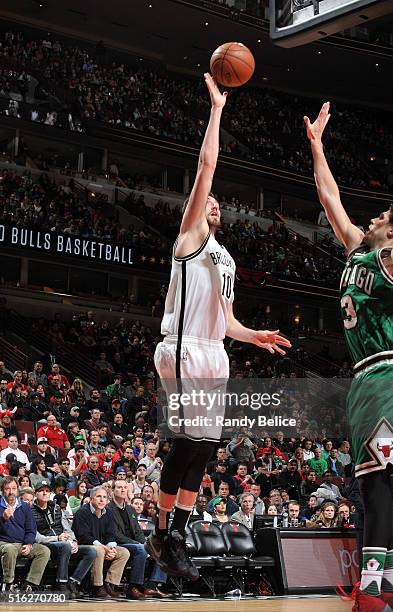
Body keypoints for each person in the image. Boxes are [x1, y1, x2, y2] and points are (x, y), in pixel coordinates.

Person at [145, 73, 291, 580]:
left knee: (205, 449)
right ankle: (163, 533)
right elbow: (206, 164)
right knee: (188, 444)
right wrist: (216, 110)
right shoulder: (189, 241)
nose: (209, 200)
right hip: (182, 349)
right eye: (203, 199)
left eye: (212, 202)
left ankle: (176, 533)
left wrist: (256, 336)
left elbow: (226, 321)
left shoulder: (225, 257)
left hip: (213, 350)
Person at [305, 105, 393, 611]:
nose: (372, 218)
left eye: (382, 217)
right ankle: (384, 586)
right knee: (374, 481)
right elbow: (330, 198)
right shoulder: (356, 253)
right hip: (366, 380)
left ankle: (373, 589)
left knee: (382, 479)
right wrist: (317, 146)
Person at [32, 479, 96, 595]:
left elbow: (67, 529)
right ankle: (61, 583)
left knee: (91, 551)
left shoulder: (56, 508)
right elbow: (36, 537)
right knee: (65, 546)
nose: (45, 493)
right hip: (45, 544)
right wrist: (56, 538)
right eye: (41, 491)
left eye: (47, 491)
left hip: (63, 542)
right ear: (35, 493)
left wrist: (74, 541)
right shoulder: (30, 511)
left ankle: (74, 582)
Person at [107, 480, 169, 599]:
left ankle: (152, 585)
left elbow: (137, 531)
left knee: (161, 548)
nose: (123, 490)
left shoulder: (130, 509)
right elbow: (115, 534)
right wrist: (139, 544)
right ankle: (133, 586)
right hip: (117, 544)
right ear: (113, 491)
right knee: (141, 549)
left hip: (134, 544)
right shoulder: (108, 509)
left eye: (125, 487)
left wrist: (146, 544)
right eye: (119, 487)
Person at [72, 485, 130, 598]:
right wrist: (103, 547)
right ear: (92, 498)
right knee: (99, 550)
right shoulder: (82, 512)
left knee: (124, 552)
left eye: (104, 497)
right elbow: (83, 536)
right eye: (98, 496)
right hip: (85, 547)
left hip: (104, 547)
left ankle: (110, 584)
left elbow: (111, 534)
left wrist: (111, 548)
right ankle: (97, 586)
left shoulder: (108, 512)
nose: (102, 499)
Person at [0, 476, 50, 591]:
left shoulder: (25, 506)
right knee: (10, 549)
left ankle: (30, 583)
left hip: (21, 543)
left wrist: (28, 544)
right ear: (3, 490)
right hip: (3, 543)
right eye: (7, 489)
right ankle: (8, 583)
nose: (11, 492)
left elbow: (31, 529)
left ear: (17, 489)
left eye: (13, 488)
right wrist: (3, 518)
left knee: (44, 551)